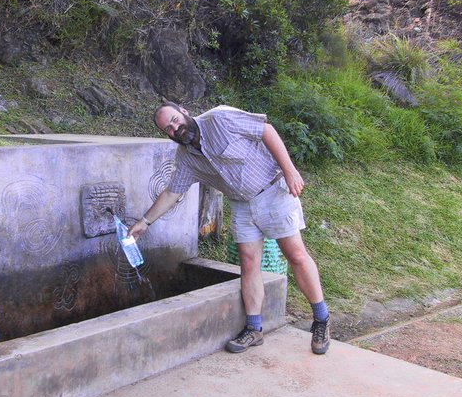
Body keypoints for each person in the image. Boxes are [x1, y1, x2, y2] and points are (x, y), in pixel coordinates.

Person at [129, 102, 330, 355]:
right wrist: (144, 222)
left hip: (273, 191)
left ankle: (321, 319)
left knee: (296, 255)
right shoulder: (187, 158)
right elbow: (172, 192)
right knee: (248, 263)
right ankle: (254, 328)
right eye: (168, 128)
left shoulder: (219, 118)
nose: (175, 128)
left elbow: (266, 130)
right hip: (242, 204)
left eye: (175, 120)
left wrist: (290, 170)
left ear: (184, 111)